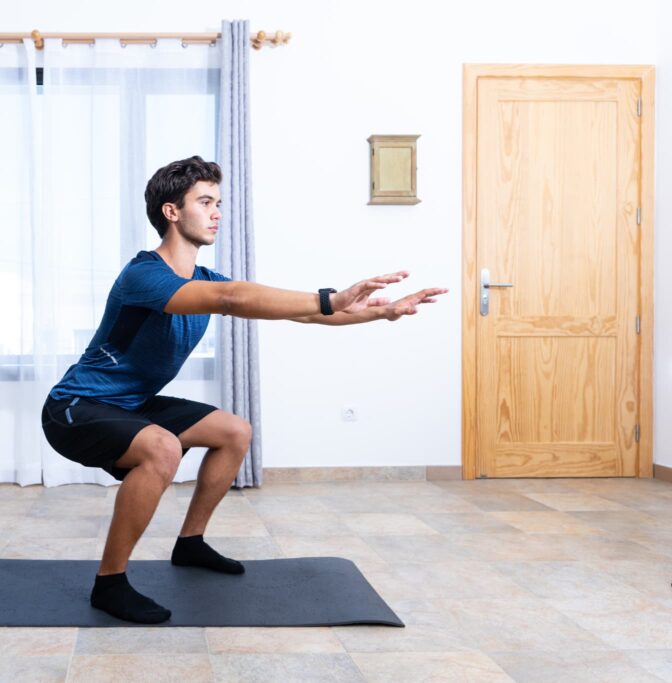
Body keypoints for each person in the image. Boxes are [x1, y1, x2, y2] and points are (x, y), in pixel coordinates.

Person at [41, 155, 448, 624]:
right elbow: (233, 298)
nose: (217, 213)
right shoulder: (144, 276)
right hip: (76, 407)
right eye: (205, 202)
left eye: (218, 203)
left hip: (131, 404)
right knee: (163, 448)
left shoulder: (204, 279)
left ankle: (190, 544)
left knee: (234, 431)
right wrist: (330, 297)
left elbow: (307, 314)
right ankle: (110, 584)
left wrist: (382, 312)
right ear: (172, 212)